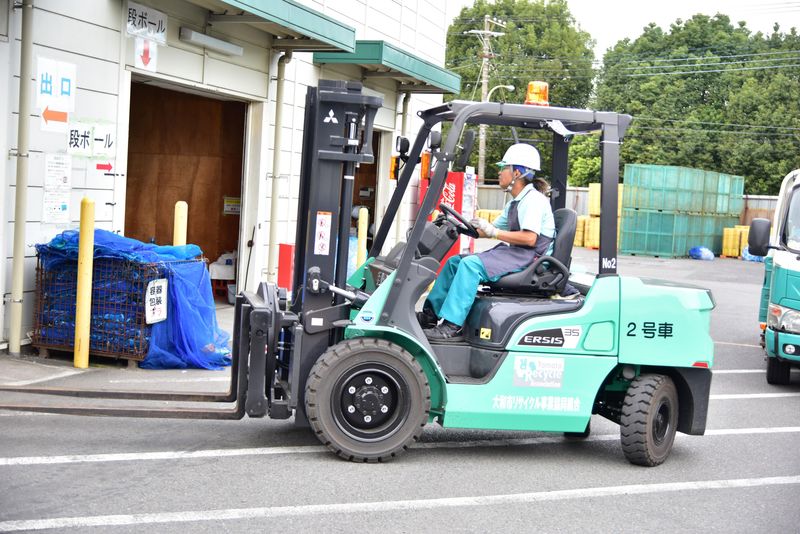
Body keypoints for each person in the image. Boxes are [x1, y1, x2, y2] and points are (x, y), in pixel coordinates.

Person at [419, 143, 558, 341]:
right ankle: (429, 316)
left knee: (470, 265)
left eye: (504, 168)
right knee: (454, 263)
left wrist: (493, 231)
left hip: (532, 258)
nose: (500, 172)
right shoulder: (515, 202)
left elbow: (529, 238)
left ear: (517, 173)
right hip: (517, 254)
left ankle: (452, 325)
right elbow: (488, 230)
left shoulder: (533, 201)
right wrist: (464, 224)